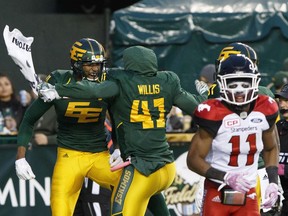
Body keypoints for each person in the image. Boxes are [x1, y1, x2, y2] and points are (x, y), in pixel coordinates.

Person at [38, 45, 204, 215]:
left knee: (119, 211)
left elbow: (92, 90)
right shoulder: (169, 80)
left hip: (140, 165)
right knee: (151, 198)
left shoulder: (122, 82)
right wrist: (209, 94)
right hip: (167, 166)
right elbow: (200, 108)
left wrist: (57, 89)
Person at [14, 38, 123, 216]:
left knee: (136, 185)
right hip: (69, 155)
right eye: (89, 64)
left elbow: (117, 115)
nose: (95, 68)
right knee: (60, 209)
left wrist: (118, 148)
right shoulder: (59, 79)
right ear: (76, 64)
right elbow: (29, 119)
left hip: (100, 155)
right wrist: (20, 157)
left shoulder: (105, 79)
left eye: (98, 64)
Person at [186, 54, 279, 216]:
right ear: (222, 83)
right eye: (233, 83)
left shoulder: (265, 108)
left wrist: (273, 182)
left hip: (248, 190)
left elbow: (271, 148)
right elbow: (193, 160)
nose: (239, 89)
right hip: (217, 190)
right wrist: (225, 176)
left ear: (254, 82)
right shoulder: (212, 112)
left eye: (245, 83)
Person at [274, 83, 288, 216]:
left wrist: (280, 169)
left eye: (287, 101)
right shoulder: (278, 127)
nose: (282, 105)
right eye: (281, 101)